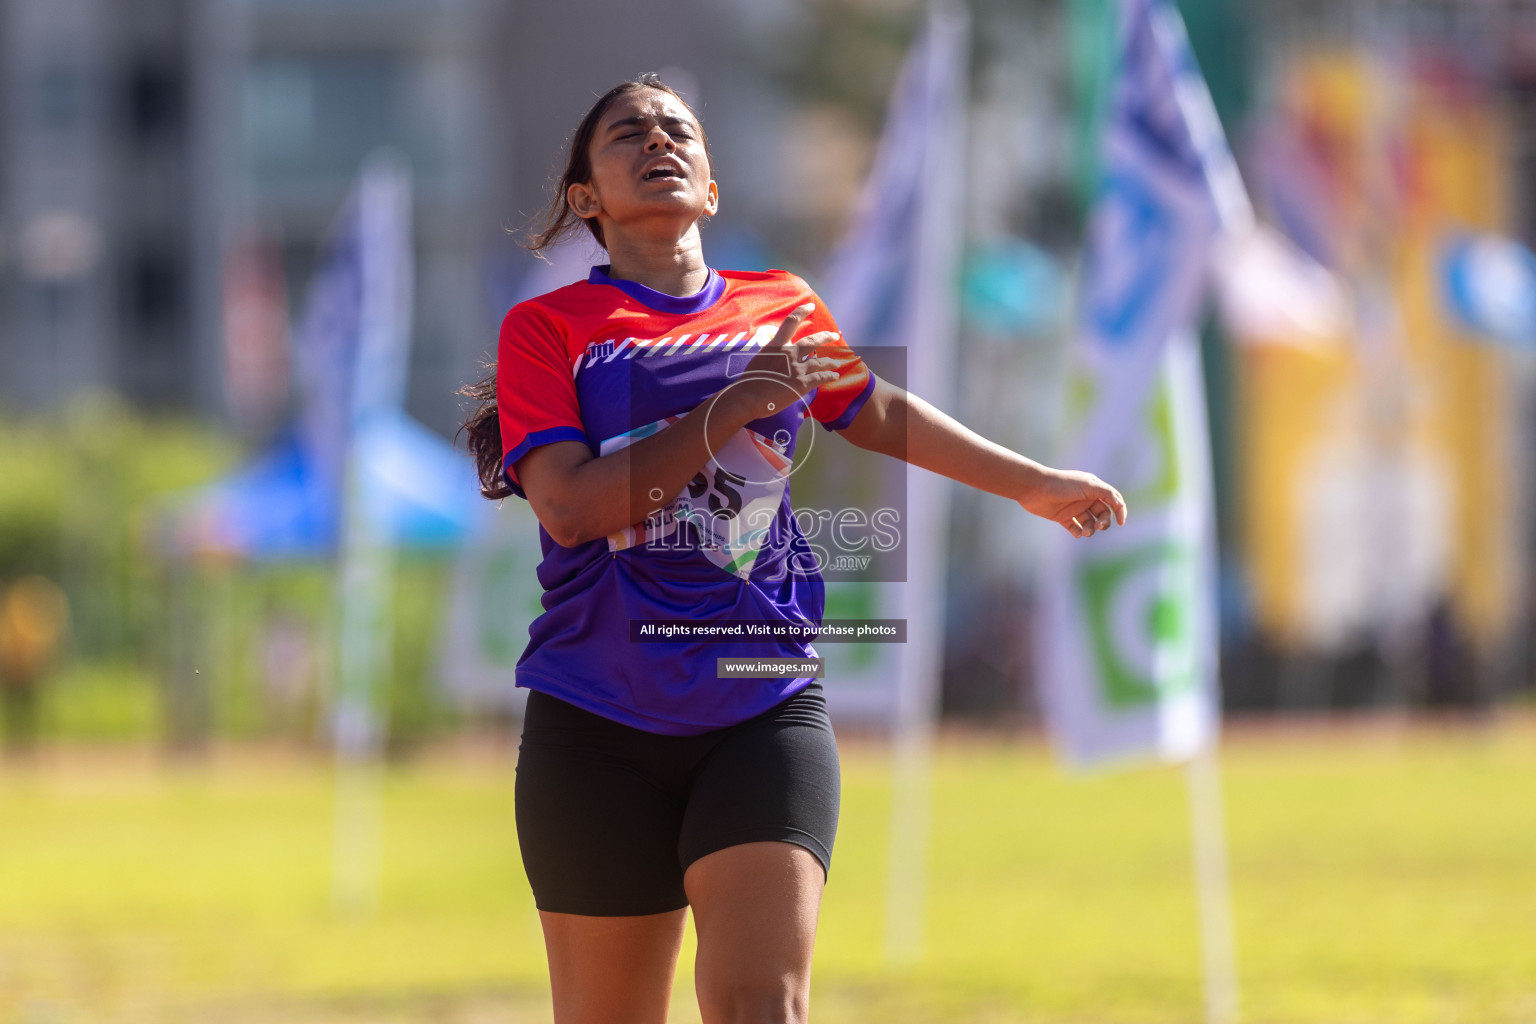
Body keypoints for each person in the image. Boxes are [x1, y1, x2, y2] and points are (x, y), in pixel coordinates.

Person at [459, 73, 1126, 1024]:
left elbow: (876, 409)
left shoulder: (781, 305)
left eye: (678, 130)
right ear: (586, 198)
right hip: (595, 713)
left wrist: (1031, 483)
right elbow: (569, 509)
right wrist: (728, 408)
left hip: (759, 693)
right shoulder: (549, 330)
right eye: (629, 135)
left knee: (761, 1006)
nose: (659, 142)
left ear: (713, 185)